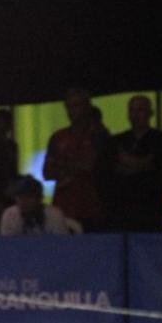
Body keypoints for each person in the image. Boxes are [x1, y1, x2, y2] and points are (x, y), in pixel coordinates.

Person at [98, 95, 162, 233]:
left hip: (150, 205)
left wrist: (129, 162)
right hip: (122, 207)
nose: (135, 115)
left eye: (140, 110)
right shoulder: (117, 140)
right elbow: (110, 168)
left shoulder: (161, 139)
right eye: (132, 110)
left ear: (150, 113)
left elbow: (154, 164)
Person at [43, 88, 108, 232]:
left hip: (92, 206)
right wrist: (74, 166)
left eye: (77, 106)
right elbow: (46, 172)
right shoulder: (58, 137)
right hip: (63, 207)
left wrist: (62, 165)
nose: (72, 111)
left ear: (87, 107)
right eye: (69, 107)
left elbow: (92, 166)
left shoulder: (99, 135)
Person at [0, 175, 76, 235]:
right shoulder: (9, 214)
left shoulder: (54, 215)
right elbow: (8, 245)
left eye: (29, 197)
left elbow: (61, 244)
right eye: (20, 197)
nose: (23, 201)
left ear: (40, 198)